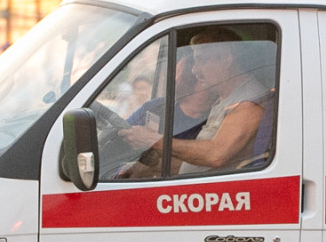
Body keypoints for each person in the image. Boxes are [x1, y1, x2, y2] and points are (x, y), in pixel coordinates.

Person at [114, 28, 270, 176]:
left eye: (201, 60)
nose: (195, 70)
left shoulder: (249, 101)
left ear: (226, 59)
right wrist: (139, 170)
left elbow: (216, 155)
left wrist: (154, 141)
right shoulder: (225, 99)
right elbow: (195, 163)